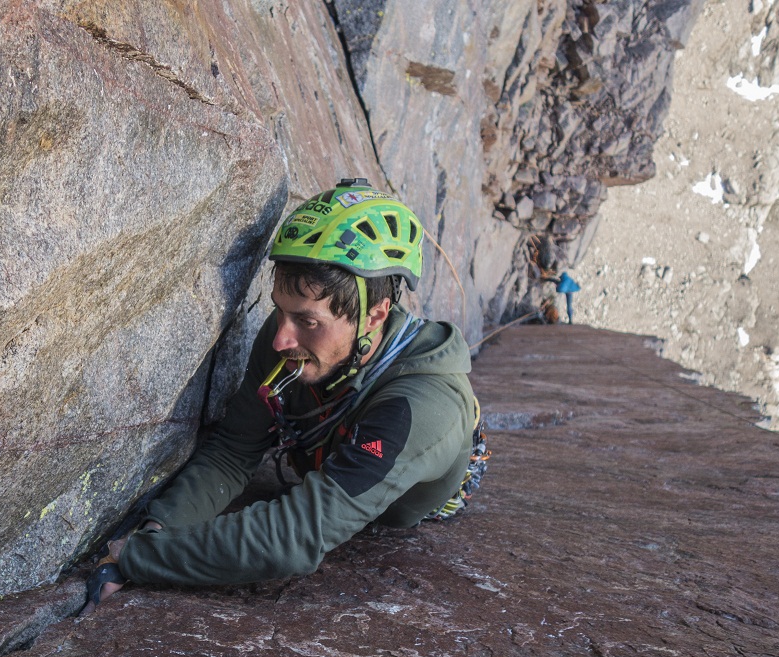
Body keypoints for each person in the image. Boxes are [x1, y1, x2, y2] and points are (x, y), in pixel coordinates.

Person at [84, 179, 485, 608]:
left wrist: (142, 559)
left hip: (408, 487)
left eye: (307, 321)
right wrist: (158, 528)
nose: (281, 338)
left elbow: (295, 536)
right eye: (280, 310)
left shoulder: (425, 408)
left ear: (375, 315)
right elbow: (234, 450)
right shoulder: (291, 342)